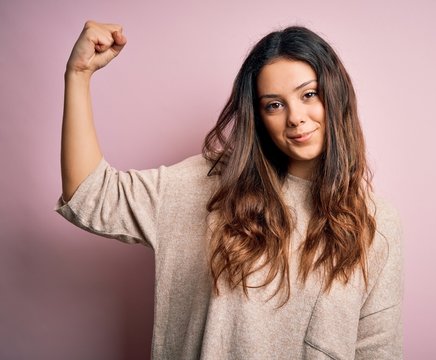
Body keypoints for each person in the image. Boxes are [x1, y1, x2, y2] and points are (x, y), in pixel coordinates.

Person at [55, 20, 403, 360]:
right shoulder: (208, 187)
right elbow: (90, 193)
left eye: (309, 94)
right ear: (259, 116)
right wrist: (79, 75)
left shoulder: (377, 224)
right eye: (274, 104)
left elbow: (376, 351)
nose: (295, 117)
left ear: (336, 95)